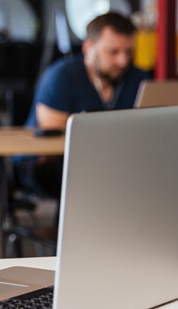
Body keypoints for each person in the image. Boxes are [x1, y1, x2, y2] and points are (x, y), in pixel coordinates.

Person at [17, 12, 147, 197]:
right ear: (88, 48)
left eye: (128, 52)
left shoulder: (138, 78)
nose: (123, 61)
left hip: (111, 158)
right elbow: (55, 142)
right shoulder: (61, 76)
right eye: (113, 52)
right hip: (44, 162)